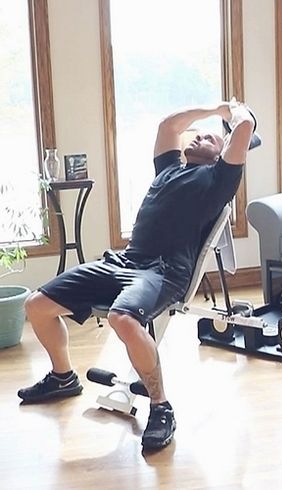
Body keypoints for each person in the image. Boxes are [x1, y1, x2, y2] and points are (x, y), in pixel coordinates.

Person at [18, 100, 257, 451]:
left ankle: (161, 407)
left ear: (222, 153)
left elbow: (245, 129)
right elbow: (168, 126)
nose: (198, 136)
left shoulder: (219, 179)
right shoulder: (169, 169)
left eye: (208, 138)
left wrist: (232, 114)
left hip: (163, 271)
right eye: (198, 133)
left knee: (124, 319)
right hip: (125, 262)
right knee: (37, 305)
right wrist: (212, 108)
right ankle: (62, 377)